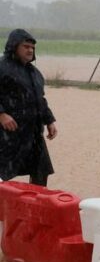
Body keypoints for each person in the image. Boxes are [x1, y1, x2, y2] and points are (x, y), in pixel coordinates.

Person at [0, 29, 57, 186]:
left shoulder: (34, 73)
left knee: (41, 171)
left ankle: (35, 206)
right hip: (7, 134)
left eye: (32, 47)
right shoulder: (2, 68)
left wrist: (49, 121)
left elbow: (40, 99)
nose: (30, 50)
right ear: (14, 46)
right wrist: (1, 114)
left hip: (33, 133)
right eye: (26, 46)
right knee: (2, 173)